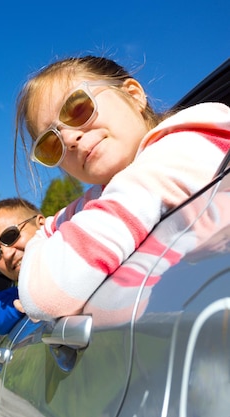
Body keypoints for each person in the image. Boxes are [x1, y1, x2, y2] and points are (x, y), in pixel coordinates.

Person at [13, 55, 230, 321]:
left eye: (77, 108)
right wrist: (42, 238)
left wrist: (37, 249)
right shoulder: (110, 194)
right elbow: (49, 226)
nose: (69, 138)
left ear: (134, 95)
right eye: (50, 143)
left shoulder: (186, 148)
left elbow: (47, 296)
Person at [0, 198, 44, 334]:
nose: (6, 255)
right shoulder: (18, 294)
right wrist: (26, 301)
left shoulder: (81, 254)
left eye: (10, 236)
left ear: (42, 224)